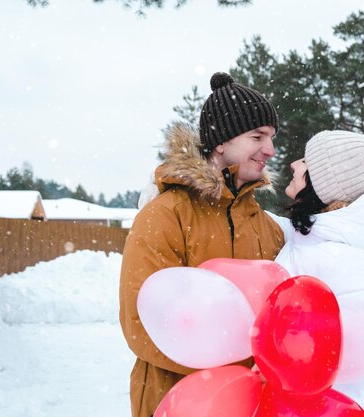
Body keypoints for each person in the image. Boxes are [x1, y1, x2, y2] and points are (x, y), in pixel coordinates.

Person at [119, 72, 285, 417]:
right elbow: (141, 324)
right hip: (176, 401)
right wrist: (233, 367)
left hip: (250, 404)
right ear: (221, 142)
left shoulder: (268, 229)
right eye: (258, 136)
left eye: (271, 137)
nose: (270, 150)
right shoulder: (164, 216)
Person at [269, 130, 364, 417]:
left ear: (325, 188)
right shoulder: (316, 236)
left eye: (307, 162)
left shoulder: (353, 263)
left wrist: (288, 386)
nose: (295, 164)